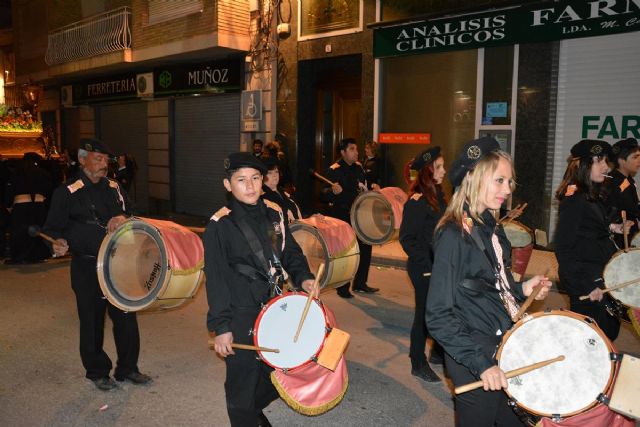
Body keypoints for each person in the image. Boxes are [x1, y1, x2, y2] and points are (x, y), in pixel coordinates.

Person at [426, 137, 551, 427]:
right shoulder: (452, 235)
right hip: (474, 352)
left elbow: (492, 285)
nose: (507, 190)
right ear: (473, 177)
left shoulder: (490, 226)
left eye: (510, 182)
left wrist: (522, 289)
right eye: (500, 180)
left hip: (503, 341)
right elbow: (438, 314)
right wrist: (481, 364)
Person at [204, 152, 316, 427]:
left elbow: (290, 252)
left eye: (255, 178)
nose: (250, 185)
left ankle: (252, 411)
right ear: (228, 185)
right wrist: (221, 327)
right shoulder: (221, 224)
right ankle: (246, 415)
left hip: (275, 305)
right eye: (241, 180)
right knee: (242, 381)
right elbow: (216, 278)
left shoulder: (275, 212)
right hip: (240, 312)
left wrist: (304, 278)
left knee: (277, 371)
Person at [43, 138, 152, 391]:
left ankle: (128, 368)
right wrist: (55, 244)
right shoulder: (67, 192)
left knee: (126, 317)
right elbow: (51, 229)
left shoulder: (114, 187)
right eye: (98, 159)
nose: (104, 165)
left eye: (106, 160)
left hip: (120, 265)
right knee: (92, 321)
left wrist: (122, 216)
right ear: (82, 160)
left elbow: (132, 212)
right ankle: (97, 371)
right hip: (87, 266)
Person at [554, 139, 625, 342]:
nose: (606, 167)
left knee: (606, 334)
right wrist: (586, 286)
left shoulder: (591, 194)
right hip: (587, 280)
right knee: (592, 340)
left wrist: (614, 227)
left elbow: (590, 228)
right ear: (584, 165)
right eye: (599, 161)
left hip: (598, 274)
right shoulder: (575, 199)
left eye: (606, 162)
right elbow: (563, 248)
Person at [399, 146, 446, 383]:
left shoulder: (438, 195)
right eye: (439, 167)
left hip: (438, 265)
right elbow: (407, 239)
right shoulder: (417, 201)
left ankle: (437, 352)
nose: (444, 171)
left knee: (443, 310)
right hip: (423, 267)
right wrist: (428, 265)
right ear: (428, 171)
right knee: (424, 316)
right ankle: (417, 361)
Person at [324, 138, 379, 298]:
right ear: (343, 152)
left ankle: (360, 283)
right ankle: (343, 287)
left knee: (366, 247)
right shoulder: (334, 170)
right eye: (352, 149)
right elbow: (323, 194)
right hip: (342, 216)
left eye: (356, 149)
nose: (357, 152)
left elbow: (363, 187)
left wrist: (372, 188)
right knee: (347, 252)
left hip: (359, 215)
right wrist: (331, 192)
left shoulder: (359, 168)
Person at [4, 152, 53, 264]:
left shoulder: (16, 173)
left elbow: (10, 190)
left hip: (21, 206)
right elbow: (49, 189)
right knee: (37, 230)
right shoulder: (43, 173)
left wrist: (8, 205)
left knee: (20, 232)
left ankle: (20, 256)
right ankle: (37, 255)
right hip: (39, 206)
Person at [606, 137, 640, 249]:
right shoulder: (614, 181)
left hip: (630, 233)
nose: (639, 160)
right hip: (619, 236)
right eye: (635, 157)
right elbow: (630, 208)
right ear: (621, 160)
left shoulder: (628, 179)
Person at [261, 156, 301, 223]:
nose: (274, 175)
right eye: (270, 173)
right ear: (262, 176)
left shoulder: (284, 193)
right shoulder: (262, 197)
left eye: (276, 172)